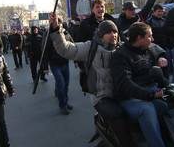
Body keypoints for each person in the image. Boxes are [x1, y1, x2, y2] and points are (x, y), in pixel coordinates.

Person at [48, 14, 137, 147]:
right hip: (102, 97)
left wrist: (160, 55)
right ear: (101, 34)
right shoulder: (90, 48)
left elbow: (145, 47)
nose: (112, 35)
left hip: (123, 93)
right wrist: (55, 29)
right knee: (117, 115)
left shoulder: (123, 47)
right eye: (108, 32)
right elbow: (66, 49)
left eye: (114, 32)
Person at [110, 23, 170, 147]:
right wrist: (148, 95)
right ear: (139, 38)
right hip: (128, 98)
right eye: (150, 36)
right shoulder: (120, 56)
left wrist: (167, 85)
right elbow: (125, 84)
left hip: (147, 92)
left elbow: (153, 74)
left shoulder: (146, 51)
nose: (152, 40)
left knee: (169, 103)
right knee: (147, 110)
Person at [42, 17, 73, 114]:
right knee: (61, 83)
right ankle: (62, 105)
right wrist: (45, 67)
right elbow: (45, 52)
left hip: (65, 63)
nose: (59, 25)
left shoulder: (66, 34)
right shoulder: (49, 35)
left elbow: (72, 46)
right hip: (55, 64)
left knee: (66, 85)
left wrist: (76, 61)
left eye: (60, 24)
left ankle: (66, 101)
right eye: (56, 24)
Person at [146, 4, 171, 79]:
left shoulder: (164, 21)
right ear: (154, 12)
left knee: (167, 70)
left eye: (162, 11)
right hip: (155, 50)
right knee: (158, 71)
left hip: (165, 48)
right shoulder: (149, 22)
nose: (160, 13)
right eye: (159, 11)